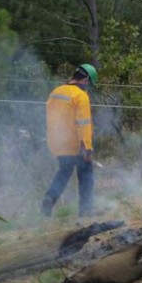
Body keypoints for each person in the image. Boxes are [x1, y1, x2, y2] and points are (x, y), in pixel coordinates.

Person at [41, 64, 98, 217]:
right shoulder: (80, 96)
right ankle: (86, 213)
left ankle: (49, 199)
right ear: (85, 80)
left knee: (64, 172)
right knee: (86, 176)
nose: (89, 88)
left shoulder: (55, 92)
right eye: (90, 84)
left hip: (57, 142)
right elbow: (83, 123)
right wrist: (87, 147)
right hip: (75, 144)